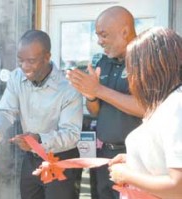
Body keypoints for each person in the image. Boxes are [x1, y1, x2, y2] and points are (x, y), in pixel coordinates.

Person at [0, 30, 83, 199]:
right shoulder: (16, 77)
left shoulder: (69, 87)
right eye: (20, 60)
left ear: (47, 57)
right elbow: (5, 111)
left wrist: (39, 140)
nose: (24, 67)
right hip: (31, 160)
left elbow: (71, 134)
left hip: (61, 160)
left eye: (31, 61)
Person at [66, 6, 145, 199]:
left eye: (104, 35)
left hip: (134, 158)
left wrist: (99, 90)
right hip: (104, 154)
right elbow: (95, 112)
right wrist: (90, 95)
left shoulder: (144, 60)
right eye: (97, 36)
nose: (99, 41)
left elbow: (145, 108)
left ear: (124, 31)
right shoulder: (103, 61)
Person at [109, 27, 182, 199]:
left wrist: (126, 175)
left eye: (131, 68)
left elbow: (178, 186)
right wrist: (136, 159)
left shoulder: (177, 105)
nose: (130, 78)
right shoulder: (168, 102)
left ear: (149, 67)